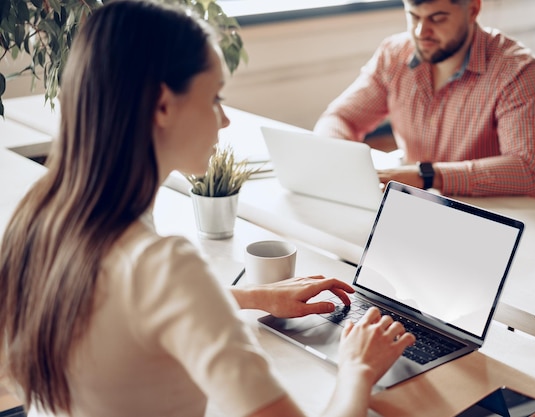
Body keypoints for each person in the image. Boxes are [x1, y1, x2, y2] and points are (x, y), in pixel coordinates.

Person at [0, 1, 415, 417]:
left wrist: (253, 296)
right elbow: (158, 291)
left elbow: (130, 311)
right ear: (163, 105)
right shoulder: (164, 265)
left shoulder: (37, 216)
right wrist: (357, 369)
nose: (224, 120)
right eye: (215, 97)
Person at [314, 0, 535, 197]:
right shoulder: (394, 54)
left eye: (437, 18)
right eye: (414, 16)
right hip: (414, 201)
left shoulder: (518, 71)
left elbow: (530, 171)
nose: (421, 32)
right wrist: (342, 162)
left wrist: (427, 175)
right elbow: (340, 117)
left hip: (489, 209)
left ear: (473, 10)